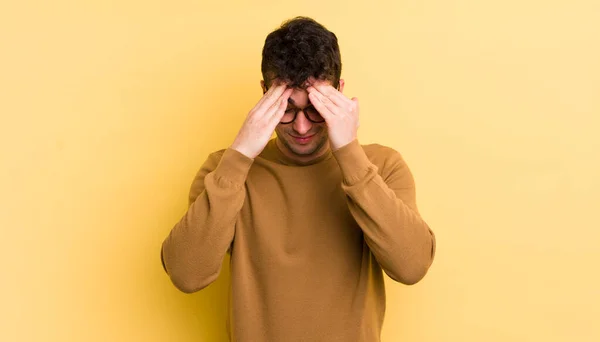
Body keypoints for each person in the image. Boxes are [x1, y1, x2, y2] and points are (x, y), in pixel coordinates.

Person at [161, 16, 436, 342]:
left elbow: (412, 266)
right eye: (286, 109)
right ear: (264, 94)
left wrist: (348, 153)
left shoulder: (381, 165)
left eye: (317, 109)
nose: (302, 127)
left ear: (340, 92)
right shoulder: (226, 170)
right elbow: (186, 274)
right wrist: (240, 155)